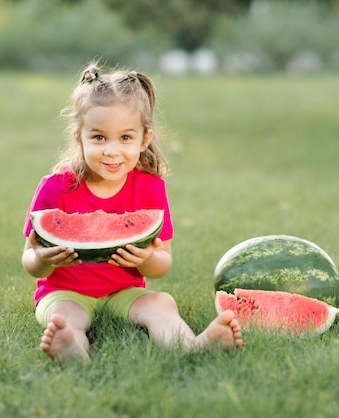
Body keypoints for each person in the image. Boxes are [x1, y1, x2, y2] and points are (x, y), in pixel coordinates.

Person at [22, 63, 243, 362]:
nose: (112, 151)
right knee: (65, 316)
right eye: (99, 138)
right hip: (64, 292)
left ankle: (194, 347)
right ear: (79, 137)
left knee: (162, 303)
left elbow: (162, 263)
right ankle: (70, 345)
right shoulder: (55, 187)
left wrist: (149, 259)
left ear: (145, 139)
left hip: (124, 291)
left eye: (125, 138)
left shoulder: (150, 188)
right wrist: (42, 259)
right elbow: (30, 259)